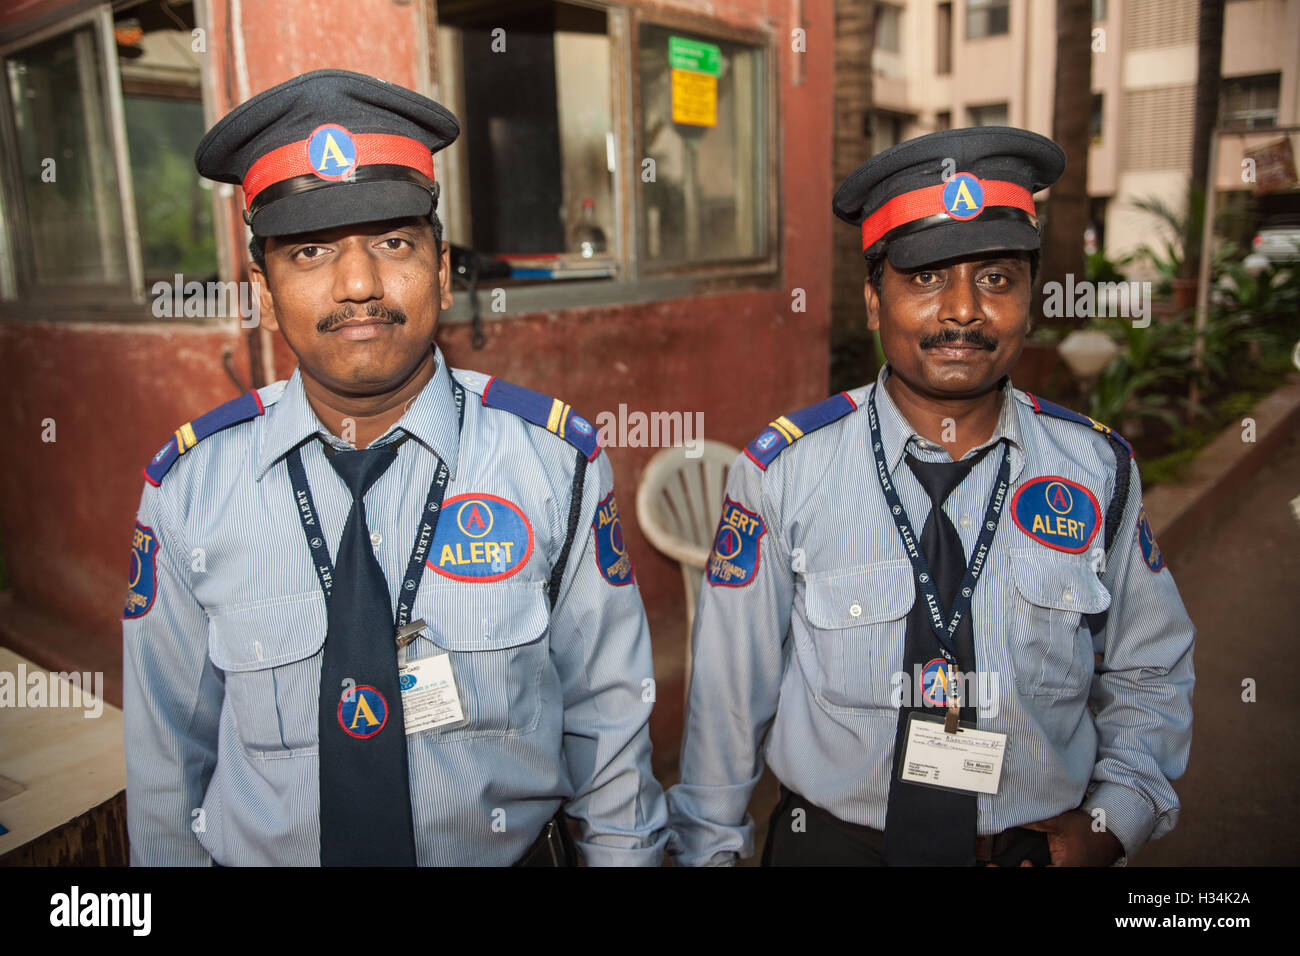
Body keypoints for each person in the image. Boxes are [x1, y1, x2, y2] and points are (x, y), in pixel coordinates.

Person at [122, 69, 667, 866]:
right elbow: (167, 761)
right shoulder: (190, 492)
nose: (359, 285)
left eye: (393, 242)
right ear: (264, 294)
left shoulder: (555, 464)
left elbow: (610, 726)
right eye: (309, 250)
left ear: (443, 270)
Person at [667, 126, 1195, 867]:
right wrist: (708, 855)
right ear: (874, 301)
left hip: (1028, 852)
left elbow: (1149, 669)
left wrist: (1112, 822)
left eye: (997, 279)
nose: (963, 312)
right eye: (926, 278)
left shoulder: (1096, 471)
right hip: (835, 850)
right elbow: (727, 702)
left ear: (1029, 299)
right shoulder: (784, 472)